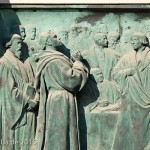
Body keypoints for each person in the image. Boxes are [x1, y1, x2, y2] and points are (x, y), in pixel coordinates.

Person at [34, 31, 88, 150]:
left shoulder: (48, 59)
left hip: (56, 99)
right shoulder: (54, 60)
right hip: (61, 100)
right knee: (61, 133)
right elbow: (72, 81)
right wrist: (78, 62)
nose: (59, 37)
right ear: (47, 41)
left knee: (61, 132)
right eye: (54, 36)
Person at [112, 32, 150, 150]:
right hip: (132, 97)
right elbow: (115, 73)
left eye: (135, 39)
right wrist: (126, 72)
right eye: (131, 40)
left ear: (143, 41)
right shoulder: (127, 57)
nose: (132, 42)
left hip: (147, 95)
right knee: (130, 126)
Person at [0, 34, 38, 150]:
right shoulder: (4, 63)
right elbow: (7, 90)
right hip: (15, 111)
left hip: (28, 109)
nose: (20, 46)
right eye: (17, 43)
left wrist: (36, 97)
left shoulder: (22, 62)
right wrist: (27, 101)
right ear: (9, 45)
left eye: (21, 43)